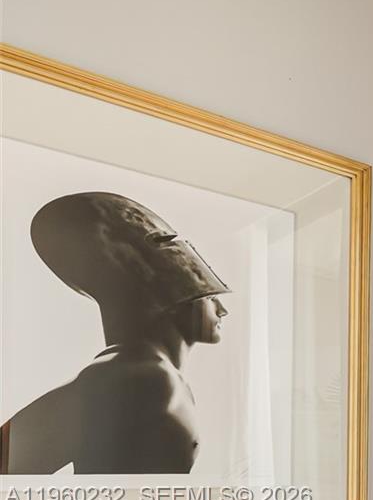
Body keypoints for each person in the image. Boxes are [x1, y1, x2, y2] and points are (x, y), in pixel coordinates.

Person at [0, 192, 230, 474]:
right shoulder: (139, 375)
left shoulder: (159, 377)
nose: (221, 309)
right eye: (206, 296)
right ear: (169, 295)